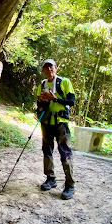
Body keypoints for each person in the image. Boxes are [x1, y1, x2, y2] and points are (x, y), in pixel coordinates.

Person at [36, 59, 76, 200]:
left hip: (61, 123)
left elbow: (71, 101)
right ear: (43, 71)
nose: (49, 69)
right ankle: (50, 178)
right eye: (46, 67)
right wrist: (41, 101)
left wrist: (55, 99)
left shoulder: (64, 82)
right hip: (46, 121)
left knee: (65, 152)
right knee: (47, 151)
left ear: (56, 68)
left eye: (51, 67)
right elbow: (38, 104)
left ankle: (70, 185)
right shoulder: (42, 84)